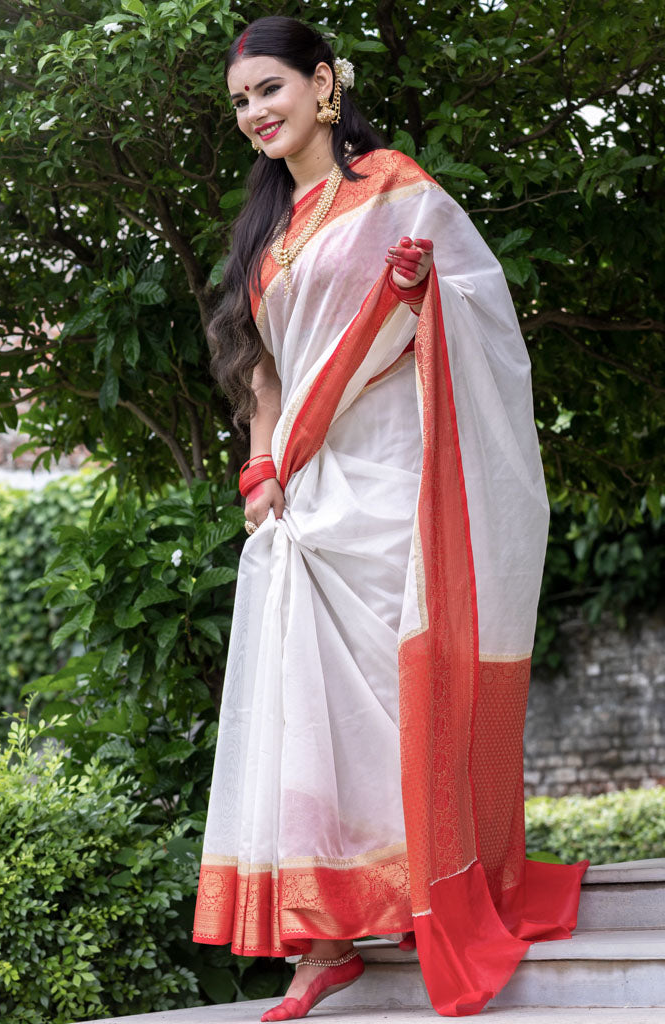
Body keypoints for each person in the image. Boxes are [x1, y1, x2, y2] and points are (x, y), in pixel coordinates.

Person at [193, 15, 589, 1021]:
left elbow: (474, 306)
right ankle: (322, 943)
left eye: (271, 90)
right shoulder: (270, 234)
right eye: (242, 102)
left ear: (324, 86)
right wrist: (260, 466)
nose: (256, 115)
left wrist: (418, 295)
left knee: (395, 690)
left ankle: (426, 886)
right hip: (306, 490)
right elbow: (266, 370)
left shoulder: (394, 188)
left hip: (393, 482)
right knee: (308, 705)